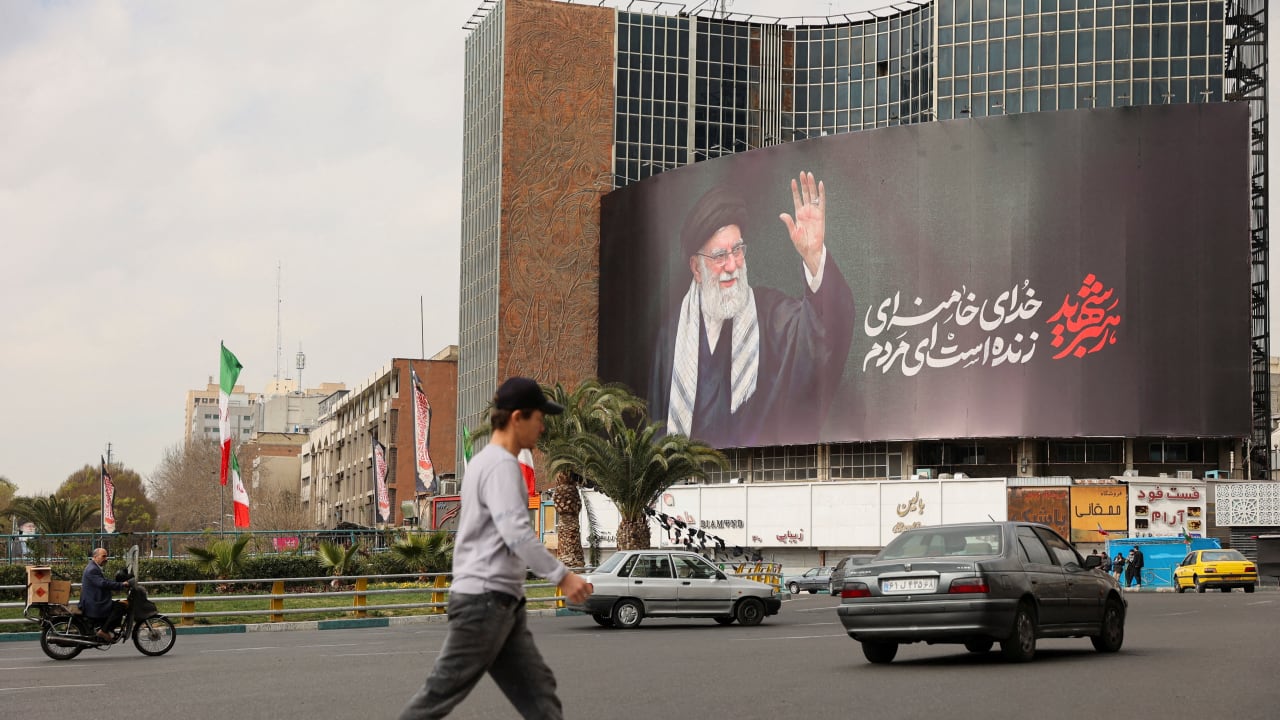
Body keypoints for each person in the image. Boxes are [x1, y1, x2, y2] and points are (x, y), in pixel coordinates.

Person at [398, 376, 592, 720]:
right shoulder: (502, 466)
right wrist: (563, 577)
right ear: (518, 417)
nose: (543, 427)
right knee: (436, 697)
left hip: (501, 602)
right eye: (539, 418)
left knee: (540, 696)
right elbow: (516, 533)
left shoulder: (484, 462)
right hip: (485, 602)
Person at [649, 172, 856, 448]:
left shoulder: (771, 316)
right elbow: (657, 431)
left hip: (757, 477)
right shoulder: (672, 337)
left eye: (737, 251)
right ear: (696, 268)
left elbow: (824, 331)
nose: (732, 265)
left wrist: (814, 257)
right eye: (720, 256)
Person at [78, 547, 128, 641]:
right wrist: (121, 585)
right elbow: (103, 583)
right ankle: (104, 631)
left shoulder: (94, 567)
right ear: (95, 557)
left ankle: (107, 629)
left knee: (118, 605)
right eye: (103, 556)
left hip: (94, 600)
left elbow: (103, 581)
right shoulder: (92, 569)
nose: (106, 558)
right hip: (94, 604)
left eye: (106, 556)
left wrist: (118, 584)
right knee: (120, 607)